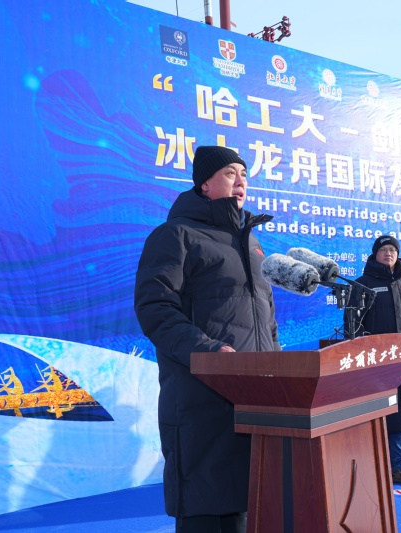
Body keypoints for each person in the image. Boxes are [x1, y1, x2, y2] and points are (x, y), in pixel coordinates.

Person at [134, 145, 281, 532]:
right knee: (210, 508)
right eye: (231, 173)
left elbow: (266, 316)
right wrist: (210, 352)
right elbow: (155, 308)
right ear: (204, 184)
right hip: (202, 396)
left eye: (244, 175)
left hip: (258, 398)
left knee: (251, 508)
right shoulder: (175, 235)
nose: (241, 182)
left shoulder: (252, 244)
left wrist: (278, 366)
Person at [347, 235, 401, 485]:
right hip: (374, 364)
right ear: (375, 254)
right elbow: (352, 325)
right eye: (384, 250)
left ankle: (399, 468)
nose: (389, 253)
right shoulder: (362, 284)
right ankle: (371, 468)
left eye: (393, 250)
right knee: (373, 414)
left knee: (400, 413)